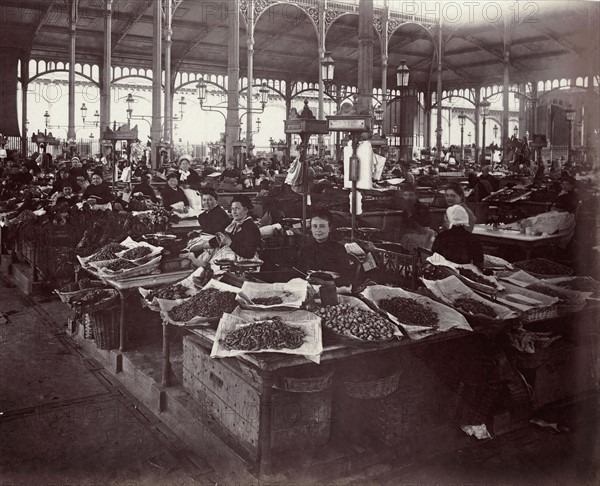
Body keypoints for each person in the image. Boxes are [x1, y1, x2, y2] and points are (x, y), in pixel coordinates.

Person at [192, 194, 260, 259]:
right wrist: (201, 246)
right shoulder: (234, 224)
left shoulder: (251, 228)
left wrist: (229, 243)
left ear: (245, 210)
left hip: (244, 262)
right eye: (232, 209)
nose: (234, 212)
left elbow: (249, 253)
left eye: (237, 209)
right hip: (233, 255)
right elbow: (219, 239)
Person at [297, 209, 353, 287]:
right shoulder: (306, 248)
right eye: (314, 226)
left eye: (322, 226)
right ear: (311, 229)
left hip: (334, 289)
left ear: (330, 228)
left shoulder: (338, 248)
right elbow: (300, 273)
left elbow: (346, 279)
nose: (318, 230)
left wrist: (324, 283)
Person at [432, 205, 484, 269]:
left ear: (449, 219)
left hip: (443, 276)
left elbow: (434, 259)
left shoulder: (441, 237)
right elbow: (479, 266)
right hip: (465, 276)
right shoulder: (474, 239)